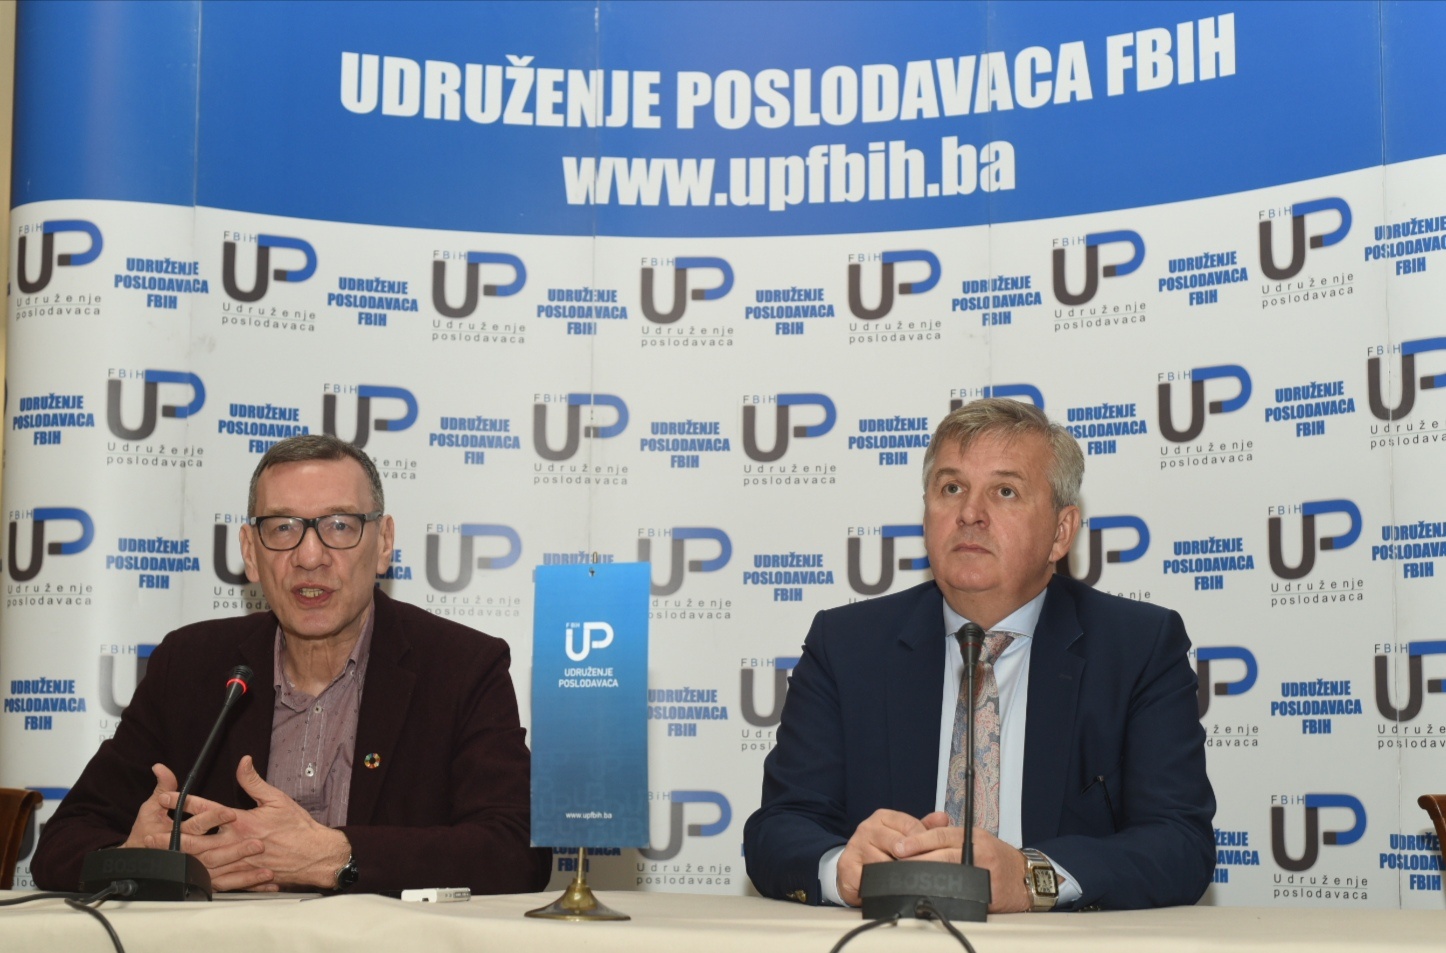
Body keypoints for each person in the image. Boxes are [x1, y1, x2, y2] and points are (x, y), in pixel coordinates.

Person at [744, 399, 1214, 912]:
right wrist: (842, 868)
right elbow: (779, 827)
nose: (970, 514)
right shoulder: (846, 644)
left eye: (1005, 491)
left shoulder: (1138, 647)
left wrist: (1032, 877)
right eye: (951, 488)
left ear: (1061, 531)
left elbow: (1179, 844)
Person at [31, 434, 551, 894]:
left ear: (384, 543)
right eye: (282, 528)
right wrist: (142, 857)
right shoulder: (189, 666)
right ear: (250, 552)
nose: (309, 556)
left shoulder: (460, 667)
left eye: (340, 526)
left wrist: (336, 857)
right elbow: (61, 843)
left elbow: (517, 850)